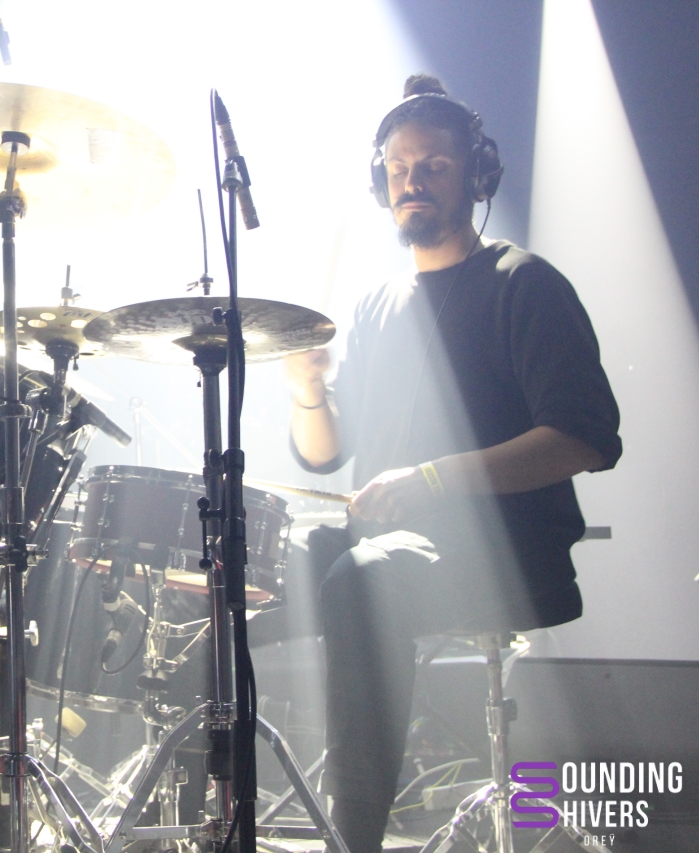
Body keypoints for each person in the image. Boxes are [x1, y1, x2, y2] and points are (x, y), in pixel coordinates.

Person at [276, 75, 622, 852]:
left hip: (506, 550)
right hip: (395, 541)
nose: (413, 182)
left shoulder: (523, 284)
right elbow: (328, 453)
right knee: (276, 555)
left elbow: (584, 435)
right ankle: (221, 791)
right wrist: (307, 391)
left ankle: (353, 836)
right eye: (399, 169)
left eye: (433, 165)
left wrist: (430, 478)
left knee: (361, 580)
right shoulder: (375, 306)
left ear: (477, 175)